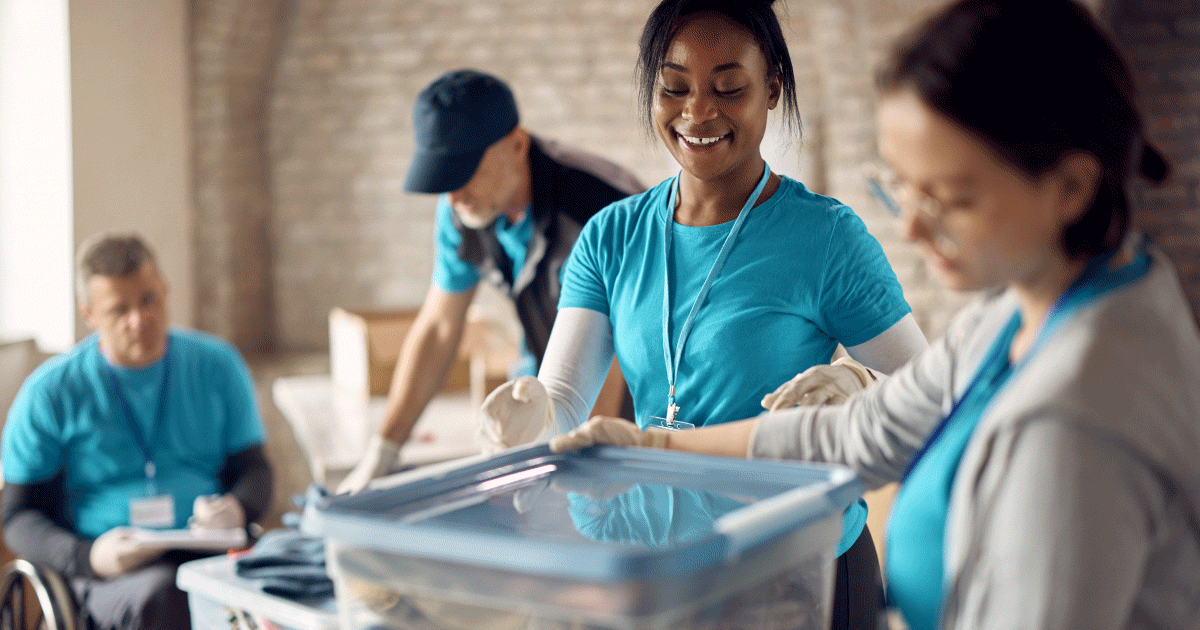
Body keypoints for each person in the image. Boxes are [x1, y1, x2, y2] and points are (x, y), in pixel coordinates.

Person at [550, 1, 1200, 629]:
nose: (912, 226)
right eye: (902, 187)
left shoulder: (1076, 419)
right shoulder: (1013, 316)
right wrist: (652, 445)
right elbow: (860, 435)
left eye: (949, 197)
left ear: (1072, 187)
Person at [478, 1, 929, 629]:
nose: (697, 112)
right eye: (674, 87)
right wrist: (533, 416)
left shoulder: (825, 238)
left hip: (796, 569)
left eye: (728, 88)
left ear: (771, 87)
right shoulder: (613, 236)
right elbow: (563, 399)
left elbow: (933, 394)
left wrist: (862, 386)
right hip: (659, 567)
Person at [337, 69, 646, 494]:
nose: (452, 197)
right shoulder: (463, 212)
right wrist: (384, 450)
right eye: (441, 178)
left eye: (463, 173)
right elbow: (440, 328)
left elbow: (615, 348)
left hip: (639, 404)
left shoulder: (601, 205)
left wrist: (578, 472)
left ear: (517, 145)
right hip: (549, 392)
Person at [1, 233, 273, 630]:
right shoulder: (50, 394)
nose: (139, 320)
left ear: (164, 290)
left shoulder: (218, 366)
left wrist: (239, 507)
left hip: (210, 553)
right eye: (119, 309)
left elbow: (256, 471)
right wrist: (87, 557)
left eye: (148, 300)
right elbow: (17, 516)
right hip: (110, 574)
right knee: (167, 596)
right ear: (89, 314)